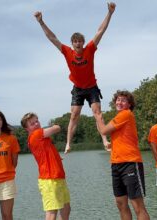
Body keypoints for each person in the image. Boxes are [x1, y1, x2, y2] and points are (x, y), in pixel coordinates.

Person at [34, 2, 116, 153]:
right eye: (75, 41)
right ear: (72, 44)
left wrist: (110, 13)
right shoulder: (67, 52)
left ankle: (105, 140)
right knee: (74, 116)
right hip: (78, 88)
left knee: (97, 113)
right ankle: (68, 144)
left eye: (80, 41)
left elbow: (100, 31)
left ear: (83, 43)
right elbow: (52, 38)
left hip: (91, 87)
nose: (78, 43)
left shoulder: (90, 49)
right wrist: (41, 22)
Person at [94, 90, 150, 220]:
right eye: (118, 100)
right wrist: (99, 120)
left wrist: (98, 118)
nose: (119, 102)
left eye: (123, 100)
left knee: (137, 205)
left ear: (129, 104)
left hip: (130, 163)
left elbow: (103, 130)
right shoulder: (118, 118)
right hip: (116, 164)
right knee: (121, 203)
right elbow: (105, 131)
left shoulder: (126, 114)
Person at [21, 112, 70, 220]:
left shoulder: (41, 136)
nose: (36, 124)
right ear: (26, 128)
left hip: (58, 176)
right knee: (52, 213)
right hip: (49, 179)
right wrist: (55, 125)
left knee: (66, 209)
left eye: (37, 120)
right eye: (32, 123)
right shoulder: (36, 135)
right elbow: (57, 128)